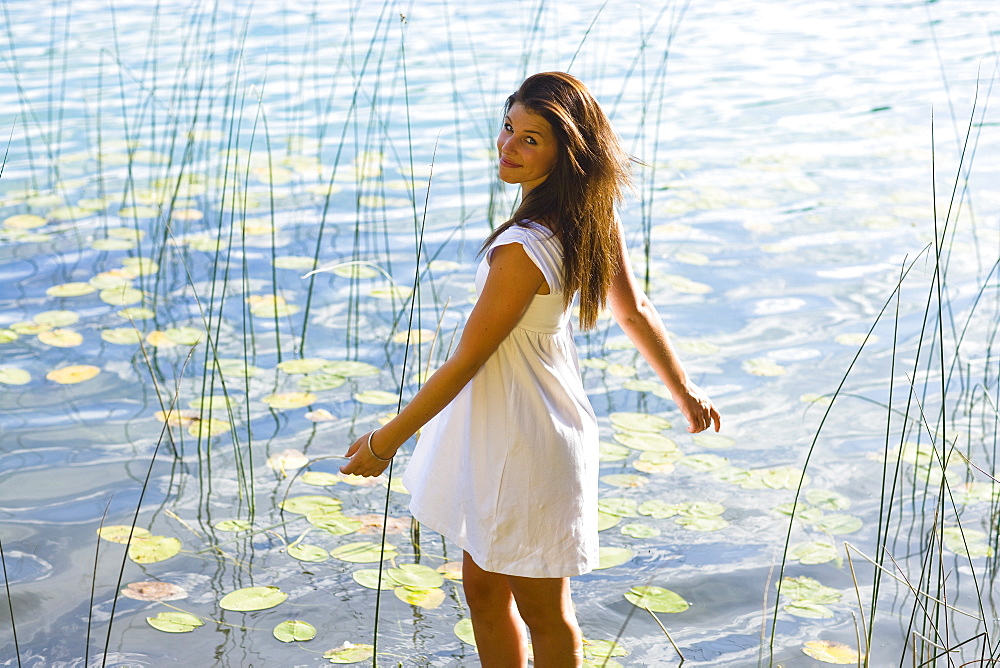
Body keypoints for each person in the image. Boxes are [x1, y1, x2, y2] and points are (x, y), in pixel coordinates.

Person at [341, 71, 721, 667]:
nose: (507, 146)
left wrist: (386, 441)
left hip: (523, 434)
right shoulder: (590, 215)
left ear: (566, 151)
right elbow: (634, 309)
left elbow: (468, 360)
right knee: (485, 590)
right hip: (524, 420)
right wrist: (684, 391)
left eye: (530, 139)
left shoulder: (524, 247)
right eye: (508, 128)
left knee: (542, 611)